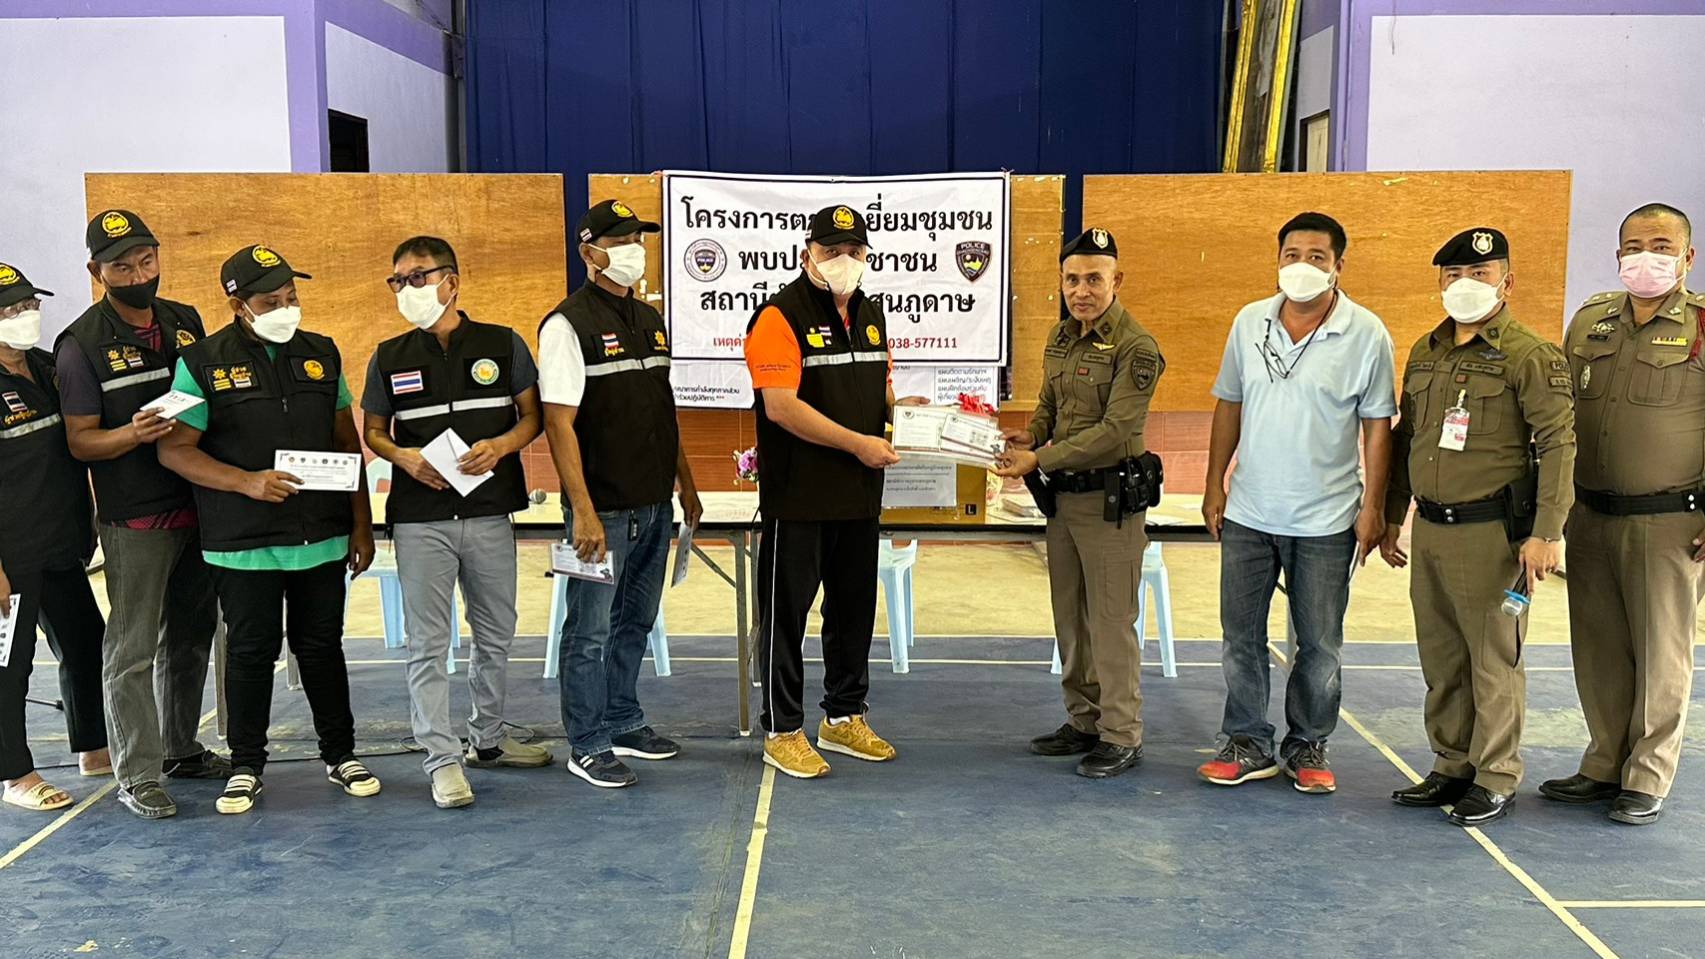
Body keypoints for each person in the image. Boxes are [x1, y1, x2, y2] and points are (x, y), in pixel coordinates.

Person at [156, 244, 378, 815]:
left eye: (290, 296)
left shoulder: (321, 353)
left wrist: (362, 524)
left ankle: (341, 755)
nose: (286, 308)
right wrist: (246, 482)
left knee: (321, 647)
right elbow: (176, 451)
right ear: (239, 305)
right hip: (242, 543)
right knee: (251, 652)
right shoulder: (201, 362)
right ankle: (246, 765)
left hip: (321, 536)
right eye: (270, 301)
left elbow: (345, 443)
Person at [1382, 227, 1575, 827]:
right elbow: (1407, 438)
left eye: (1479, 274)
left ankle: (1495, 775)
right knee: (1442, 657)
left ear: (1506, 283)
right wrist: (1391, 516)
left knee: (1493, 661)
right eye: (1454, 275)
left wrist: (1547, 532)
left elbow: (1559, 444)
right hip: (1431, 528)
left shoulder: (1529, 355)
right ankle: (1452, 763)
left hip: (1493, 534)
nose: (1464, 284)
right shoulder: (1426, 351)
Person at [1197, 212, 1396, 796]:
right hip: (1249, 512)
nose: (1301, 266)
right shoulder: (1249, 322)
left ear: (1338, 266)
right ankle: (1246, 741)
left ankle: (1307, 742)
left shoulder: (1366, 333)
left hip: (1327, 518)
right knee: (1240, 637)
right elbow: (1229, 403)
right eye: (1291, 255)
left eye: (1316, 256)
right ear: (1277, 259)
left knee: (1320, 644)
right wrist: (1214, 484)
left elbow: (1377, 427)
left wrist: (1373, 506)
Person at [363, 236, 551, 809]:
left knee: (496, 632)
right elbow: (374, 432)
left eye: (418, 277)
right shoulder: (388, 356)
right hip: (420, 520)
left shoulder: (503, 343)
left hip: (489, 511)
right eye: (398, 280)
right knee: (428, 643)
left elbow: (533, 416)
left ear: (452, 281)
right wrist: (403, 457)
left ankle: (487, 739)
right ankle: (441, 759)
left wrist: (502, 446)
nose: (407, 289)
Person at [743, 203, 926, 781]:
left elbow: (878, 392)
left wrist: (906, 413)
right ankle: (782, 729)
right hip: (799, 499)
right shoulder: (778, 316)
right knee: (785, 618)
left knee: (852, 614)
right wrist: (857, 444)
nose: (843, 260)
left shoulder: (872, 314)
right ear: (808, 255)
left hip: (859, 496)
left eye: (853, 251)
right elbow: (781, 407)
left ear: (866, 255)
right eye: (830, 251)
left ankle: (844, 716)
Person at [54, 210, 226, 820]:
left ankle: (181, 749)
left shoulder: (185, 320)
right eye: (122, 267)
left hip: (197, 505)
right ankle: (138, 774)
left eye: (145, 261)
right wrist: (132, 432)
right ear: (96, 271)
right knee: (130, 651)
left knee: (191, 638)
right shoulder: (79, 345)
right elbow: (80, 441)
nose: (137, 275)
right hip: (135, 521)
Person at [1541, 203, 1704, 826]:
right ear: (1617, 255)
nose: (1645, 257)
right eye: (1633, 246)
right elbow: (1559, 415)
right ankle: (1604, 762)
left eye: (1661, 245)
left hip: (1669, 522)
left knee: (1661, 652)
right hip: (1589, 513)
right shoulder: (1591, 320)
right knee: (1599, 647)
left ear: (1687, 257)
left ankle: (1647, 776)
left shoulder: (1702, 326)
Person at [540, 199, 700, 789]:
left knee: (637, 619)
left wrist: (686, 482)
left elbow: (663, 409)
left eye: (638, 239)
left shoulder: (650, 319)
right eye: (621, 241)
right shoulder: (566, 325)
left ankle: (623, 719)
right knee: (588, 631)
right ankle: (586, 743)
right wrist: (582, 510)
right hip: (600, 511)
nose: (635, 249)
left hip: (655, 503)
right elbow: (558, 423)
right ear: (589, 252)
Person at [993, 228, 1165, 779]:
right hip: (1063, 503)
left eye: (1094, 279)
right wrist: (1031, 433)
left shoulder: (1136, 348)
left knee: (1111, 622)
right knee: (1070, 620)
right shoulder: (1061, 337)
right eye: (1072, 279)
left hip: (1110, 504)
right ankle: (1084, 719)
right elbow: (1050, 404)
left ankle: (1121, 734)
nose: (1082, 290)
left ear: (1118, 280)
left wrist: (1038, 458)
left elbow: (1115, 430)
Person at [0, 264, 110, 811]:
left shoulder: (47, 368)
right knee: (10, 666)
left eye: (29, 305)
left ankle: (95, 746)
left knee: (87, 644)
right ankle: (15, 775)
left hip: (62, 544)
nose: (25, 316)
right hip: (11, 556)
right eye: (11, 309)